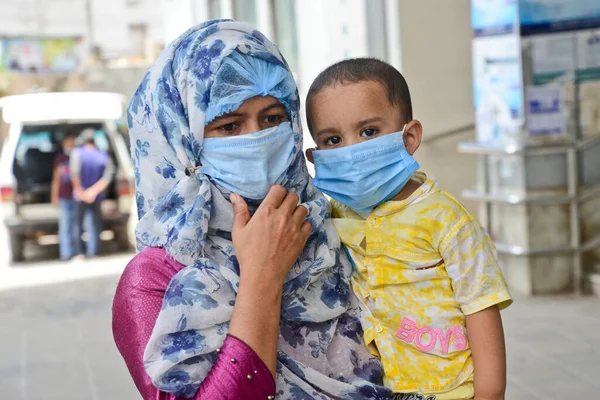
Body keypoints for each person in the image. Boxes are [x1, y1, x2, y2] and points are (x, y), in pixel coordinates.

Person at [112, 20, 392, 400]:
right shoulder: (153, 277)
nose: (257, 139)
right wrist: (263, 275)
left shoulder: (326, 228)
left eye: (273, 119)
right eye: (228, 126)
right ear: (181, 142)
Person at [305, 58, 513, 400]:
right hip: (376, 388)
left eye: (369, 131)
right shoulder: (331, 216)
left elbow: (481, 309)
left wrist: (490, 394)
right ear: (315, 157)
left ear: (410, 137)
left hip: (450, 391)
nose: (352, 150)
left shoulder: (446, 219)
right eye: (332, 139)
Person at [71, 128, 114, 259]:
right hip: (96, 196)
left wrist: (80, 191)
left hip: (80, 195)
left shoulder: (77, 153)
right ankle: (95, 251)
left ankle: (80, 253)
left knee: (78, 224)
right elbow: (107, 178)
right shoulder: (103, 156)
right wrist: (93, 192)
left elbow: (75, 173)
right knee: (95, 223)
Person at [51, 134, 76, 261]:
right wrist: (54, 196)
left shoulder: (78, 156)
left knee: (76, 226)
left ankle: (77, 252)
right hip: (65, 197)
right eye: (68, 144)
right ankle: (66, 253)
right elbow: (56, 179)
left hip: (77, 196)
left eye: (72, 144)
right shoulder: (60, 159)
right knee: (65, 226)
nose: (70, 146)